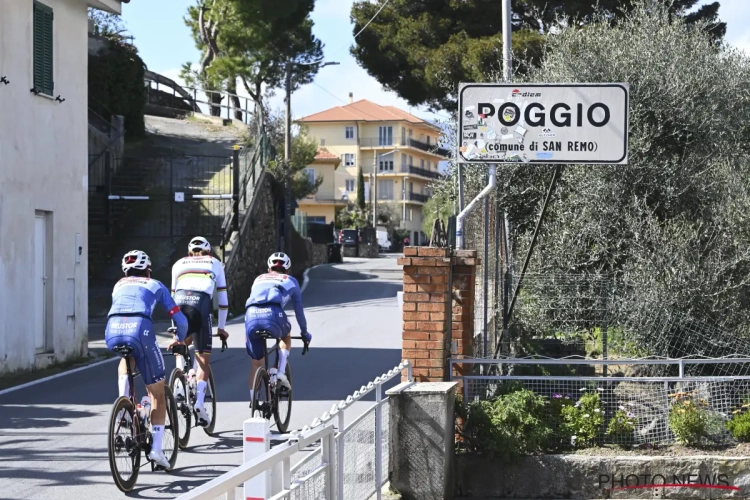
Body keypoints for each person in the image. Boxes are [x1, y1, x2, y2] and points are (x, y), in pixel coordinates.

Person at [105, 250, 188, 469]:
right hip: (140, 329)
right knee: (157, 391)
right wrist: (179, 339)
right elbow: (179, 318)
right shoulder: (156, 285)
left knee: (126, 356)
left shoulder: (118, 285)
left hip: (112, 329)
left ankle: (124, 404)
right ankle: (157, 450)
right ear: (148, 269)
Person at [168, 236, 229, 427]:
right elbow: (223, 300)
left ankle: (179, 381)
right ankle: (200, 405)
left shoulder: (178, 263)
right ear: (209, 252)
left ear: (188, 253)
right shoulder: (215, 262)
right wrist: (221, 328)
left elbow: (172, 298)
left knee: (181, 341)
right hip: (200, 304)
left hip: (179, 304)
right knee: (202, 359)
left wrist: (175, 332)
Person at [244, 252, 311, 403]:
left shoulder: (258, 279)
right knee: (285, 335)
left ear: (269, 269)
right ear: (287, 270)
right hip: (273, 314)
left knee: (256, 364)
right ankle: (280, 371)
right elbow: (299, 312)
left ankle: (254, 403)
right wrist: (304, 333)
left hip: (250, 316)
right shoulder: (291, 280)